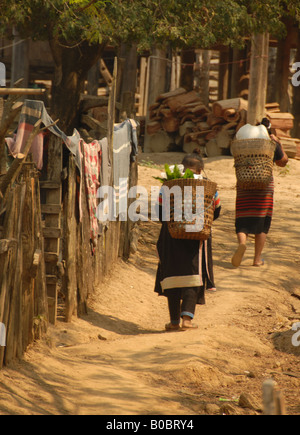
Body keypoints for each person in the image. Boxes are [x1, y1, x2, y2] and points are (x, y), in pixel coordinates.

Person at [154, 150, 221, 331]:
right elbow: (216, 211)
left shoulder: (168, 185)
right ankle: (187, 320)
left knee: (172, 276)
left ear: (182, 168)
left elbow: (160, 212)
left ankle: (174, 321)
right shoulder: (209, 187)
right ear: (200, 170)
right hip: (196, 237)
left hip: (171, 237)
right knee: (193, 275)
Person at [231, 119, 288, 268]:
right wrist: (278, 143)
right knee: (262, 221)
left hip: (244, 185)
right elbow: (283, 161)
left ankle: (242, 243)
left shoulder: (243, 141)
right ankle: (256, 259)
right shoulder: (270, 143)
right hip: (265, 187)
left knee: (242, 218)